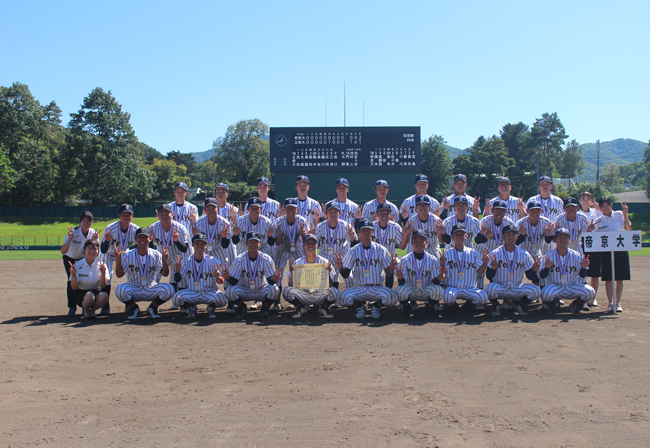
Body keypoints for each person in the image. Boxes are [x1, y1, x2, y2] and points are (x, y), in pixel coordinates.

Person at [335, 219, 398, 319]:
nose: (366, 232)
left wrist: (390, 270)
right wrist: (341, 268)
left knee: (393, 297)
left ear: (372, 231)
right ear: (358, 232)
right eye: (363, 230)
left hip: (376, 287)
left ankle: (376, 306)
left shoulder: (381, 250)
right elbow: (346, 274)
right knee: (341, 298)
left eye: (368, 230)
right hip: (359, 288)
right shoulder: (353, 251)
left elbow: (388, 274)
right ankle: (360, 306)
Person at [114, 227, 175, 319]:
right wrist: (118, 260)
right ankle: (133, 307)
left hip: (151, 288)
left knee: (170, 289)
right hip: (133, 288)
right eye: (139, 237)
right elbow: (119, 275)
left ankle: (152, 307)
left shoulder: (156, 254)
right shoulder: (128, 255)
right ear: (135, 239)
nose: (142, 240)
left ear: (149, 239)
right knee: (119, 290)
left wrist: (165, 262)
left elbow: (165, 274)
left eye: (145, 237)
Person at [222, 232, 283, 319]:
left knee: (275, 290)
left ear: (260, 243)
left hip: (261, 289)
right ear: (246, 243)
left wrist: (274, 278)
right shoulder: (239, 259)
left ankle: (264, 309)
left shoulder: (266, 258)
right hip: (244, 290)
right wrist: (228, 277)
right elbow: (234, 281)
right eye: (251, 242)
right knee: (229, 291)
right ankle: (241, 307)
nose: (253, 244)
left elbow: (270, 280)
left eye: (256, 242)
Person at [485, 225, 541, 317]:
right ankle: (496, 305)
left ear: (517, 237)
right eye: (508, 234)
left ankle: (519, 304)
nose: (510, 237)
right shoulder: (495, 253)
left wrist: (534, 270)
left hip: (516, 288)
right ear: (503, 237)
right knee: (489, 289)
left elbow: (530, 276)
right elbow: (489, 276)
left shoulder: (524, 254)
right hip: (501, 288)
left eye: (513, 234)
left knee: (536, 291)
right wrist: (493, 269)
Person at [539, 228, 595, 314]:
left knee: (590, 292)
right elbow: (542, 276)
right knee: (545, 294)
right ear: (555, 240)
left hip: (572, 286)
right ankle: (552, 304)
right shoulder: (548, 256)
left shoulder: (576, 255)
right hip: (556, 287)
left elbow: (582, 276)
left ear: (569, 239)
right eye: (560, 237)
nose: (562, 240)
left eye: (565, 237)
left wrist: (583, 268)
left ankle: (576, 304)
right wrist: (546, 268)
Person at [590, 197, 632, 313]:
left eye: (607, 205)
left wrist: (625, 213)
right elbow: (595, 238)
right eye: (603, 206)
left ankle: (617, 303)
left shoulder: (619, 214)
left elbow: (627, 228)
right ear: (600, 207)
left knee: (619, 278)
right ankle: (610, 303)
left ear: (611, 205)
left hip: (621, 249)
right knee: (608, 278)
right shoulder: (598, 220)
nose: (605, 208)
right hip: (606, 252)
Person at [171, 233, 228, 318]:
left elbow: (221, 280)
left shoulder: (212, 261)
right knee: (175, 298)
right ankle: (191, 307)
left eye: (202, 243)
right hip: (192, 292)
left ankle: (211, 307)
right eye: (197, 243)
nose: (199, 246)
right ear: (193, 244)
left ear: (206, 245)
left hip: (209, 292)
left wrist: (217, 277)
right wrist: (177, 271)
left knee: (222, 299)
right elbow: (178, 279)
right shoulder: (186, 261)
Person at [283, 234, 339, 318]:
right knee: (286, 291)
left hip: (319, 294)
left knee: (334, 292)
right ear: (303, 246)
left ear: (317, 245)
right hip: (304, 294)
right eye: (307, 243)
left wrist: (328, 274)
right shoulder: (297, 262)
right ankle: (301, 308)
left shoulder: (324, 262)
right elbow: (291, 284)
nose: (310, 245)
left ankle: (324, 308)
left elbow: (330, 285)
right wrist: (292, 273)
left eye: (313, 243)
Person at [440, 224, 489, 315]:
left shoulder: (473, 252)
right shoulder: (447, 253)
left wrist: (485, 263)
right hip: (453, 287)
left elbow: (480, 271)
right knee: (448, 297)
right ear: (452, 236)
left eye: (461, 234)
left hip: (469, 288)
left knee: (483, 297)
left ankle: (467, 306)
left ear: (466, 236)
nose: (459, 237)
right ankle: (454, 308)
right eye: (457, 234)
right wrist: (442, 263)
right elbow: (443, 272)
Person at [100, 204, 139, 315]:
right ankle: (105, 306)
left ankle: (129, 304)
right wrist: (107, 240)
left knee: (132, 274)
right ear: (119, 216)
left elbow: (139, 248)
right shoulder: (110, 228)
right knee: (107, 277)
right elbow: (103, 250)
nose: (126, 217)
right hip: (108, 253)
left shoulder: (135, 229)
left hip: (123, 254)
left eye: (128, 215)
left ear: (132, 216)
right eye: (123, 215)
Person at [395, 230, 445, 318]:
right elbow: (402, 282)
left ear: (426, 242)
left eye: (421, 241)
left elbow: (434, 281)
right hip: (411, 290)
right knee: (399, 290)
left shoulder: (432, 259)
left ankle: (429, 308)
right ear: (411, 243)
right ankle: (407, 308)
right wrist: (400, 278)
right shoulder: (405, 260)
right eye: (415, 241)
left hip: (426, 290)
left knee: (439, 290)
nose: (419, 243)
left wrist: (439, 279)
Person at [61, 211, 99, 316]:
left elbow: (97, 252)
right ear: (80, 221)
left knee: (84, 281)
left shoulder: (93, 234)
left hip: (84, 259)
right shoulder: (74, 232)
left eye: (88, 221)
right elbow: (63, 251)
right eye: (84, 221)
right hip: (70, 258)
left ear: (92, 222)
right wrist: (70, 238)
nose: (86, 224)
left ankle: (84, 305)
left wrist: (95, 240)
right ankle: (72, 307)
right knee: (72, 282)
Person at [475, 200, 516, 288]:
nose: (499, 213)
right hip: (483, 250)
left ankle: (499, 292)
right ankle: (478, 294)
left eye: (502, 210)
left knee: (499, 272)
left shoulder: (509, 223)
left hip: (499, 252)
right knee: (479, 273)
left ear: (506, 212)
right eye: (497, 210)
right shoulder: (484, 221)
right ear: (492, 210)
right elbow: (477, 240)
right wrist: (484, 235)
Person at [151, 204, 192, 291]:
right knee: (154, 277)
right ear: (158, 216)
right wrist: (150, 241)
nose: (164, 216)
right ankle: (154, 301)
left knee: (180, 281)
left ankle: (183, 301)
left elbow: (185, 248)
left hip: (180, 255)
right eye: (161, 214)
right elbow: (150, 247)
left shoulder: (180, 228)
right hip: (163, 256)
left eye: (167, 213)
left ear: (172, 214)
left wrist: (177, 241)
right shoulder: (153, 228)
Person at [68, 239, 110, 319]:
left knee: (104, 296)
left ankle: (92, 311)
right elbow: (74, 287)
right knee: (90, 296)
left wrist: (103, 273)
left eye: (95, 249)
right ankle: (86, 309)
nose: (92, 252)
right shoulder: (78, 264)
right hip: (81, 293)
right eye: (89, 249)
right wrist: (73, 275)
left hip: (95, 290)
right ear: (84, 250)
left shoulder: (101, 265)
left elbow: (103, 286)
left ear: (98, 251)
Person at [314, 201, 357, 276]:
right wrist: (312, 235)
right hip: (325, 255)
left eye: (335, 212)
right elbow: (312, 242)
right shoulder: (320, 227)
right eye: (330, 211)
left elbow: (356, 244)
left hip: (342, 256)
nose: (332, 214)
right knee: (323, 278)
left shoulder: (346, 226)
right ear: (326, 213)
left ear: (339, 213)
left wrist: (352, 238)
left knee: (350, 279)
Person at [192, 197, 235, 265]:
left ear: (217, 209)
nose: (211, 211)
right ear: (205, 210)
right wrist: (195, 236)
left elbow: (227, 246)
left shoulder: (225, 224)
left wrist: (224, 238)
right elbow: (194, 245)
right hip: (204, 256)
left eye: (213, 208)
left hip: (220, 256)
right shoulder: (198, 224)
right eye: (208, 208)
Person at [371, 202, 402, 289]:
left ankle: (401, 290)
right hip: (374, 257)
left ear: (390, 214)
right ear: (377, 214)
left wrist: (406, 235)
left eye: (386, 213)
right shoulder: (371, 226)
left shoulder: (396, 226)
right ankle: (374, 293)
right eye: (381, 213)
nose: (384, 215)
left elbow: (402, 246)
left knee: (400, 267)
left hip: (391, 256)